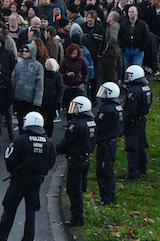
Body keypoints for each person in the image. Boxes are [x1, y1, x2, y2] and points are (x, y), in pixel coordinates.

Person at [0, 112, 56, 241]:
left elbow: (10, 159)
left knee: (9, 210)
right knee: (31, 212)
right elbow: (51, 161)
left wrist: (14, 171)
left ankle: (1, 238)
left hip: (19, 180)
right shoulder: (48, 143)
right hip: (37, 180)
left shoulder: (20, 140)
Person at [56, 96, 96, 227]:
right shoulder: (91, 122)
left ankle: (77, 218)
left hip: (76, 160)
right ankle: (78, 215)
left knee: (74, 189)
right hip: (85, 158)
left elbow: (67, 142)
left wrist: (57, 150)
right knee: (79, 187)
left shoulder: (76, 125)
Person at [94, 82, 123, 206]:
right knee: (109, 171)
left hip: (105, 144)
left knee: (103, 172)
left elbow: (99, 126)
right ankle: (111, 195)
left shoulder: (107, 109)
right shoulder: (118, 107)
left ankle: (106, 198)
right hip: (112, 143)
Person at [123, 65, 152, 181]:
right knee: (141, 146)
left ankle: (132, 173)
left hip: (133, 123)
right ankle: (142, 169)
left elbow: (131, 110)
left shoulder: (134, 91)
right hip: (142, 120)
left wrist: (124, 122)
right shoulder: (146, 88)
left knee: (132, 148)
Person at [11, 44, 44, 133]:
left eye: (26, 51)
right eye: (23, 51)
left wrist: (37, 101)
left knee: (30, 122)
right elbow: (13, 79)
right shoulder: (19, 64)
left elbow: (39, 84)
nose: (24, 53)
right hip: (19, 97)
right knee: (20, 122)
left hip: (31, 99)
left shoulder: (38, 66)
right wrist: (12, 96)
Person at [39, 58, 63, 138]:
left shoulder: (57, 76)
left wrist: (58, 101)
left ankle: (49, 135)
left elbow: (60, 89)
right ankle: (42, 133)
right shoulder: (42, 74)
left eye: (49, 64)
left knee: (50, 119)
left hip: (52, 101)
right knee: (42, 118)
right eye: (47, 64)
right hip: (42, 99)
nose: (47, 66)